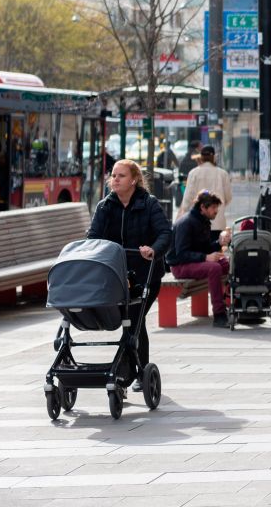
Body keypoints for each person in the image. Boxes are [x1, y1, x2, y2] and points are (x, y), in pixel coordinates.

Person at [87, 159, 172, 391]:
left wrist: (153, 249)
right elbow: (92, 237)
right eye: (113, 175)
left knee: (134, 319)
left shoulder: (149, 203)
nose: (114, 179)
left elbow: (165, 233)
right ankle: (134, 370)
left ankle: (131, 372)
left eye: (121, 176)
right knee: (130, 322)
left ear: (133, 180)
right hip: (116, 276)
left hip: (146, 275)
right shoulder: (105, 206)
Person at [166, 190, 233, 327]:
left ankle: (230, 303)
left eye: (217, 208)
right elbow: (181, 254)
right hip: (180, 266)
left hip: (193, 262)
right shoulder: (186, 222)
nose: (216, 211)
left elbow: (204, 248)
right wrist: (206, 257)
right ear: (203, 207)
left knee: (226, 263)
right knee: (214, 267)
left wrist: (218, 244)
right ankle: (219, 314)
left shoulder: (203, 221)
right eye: (213, 208)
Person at [178, 145, 232, 233]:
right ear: (214, 157)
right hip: (218, 224)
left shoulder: (193, 173)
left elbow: (187, 199)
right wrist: (216, 207)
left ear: (201, 157)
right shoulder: (223, 174)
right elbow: (228, 197)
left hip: (197, 224)